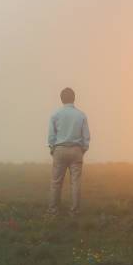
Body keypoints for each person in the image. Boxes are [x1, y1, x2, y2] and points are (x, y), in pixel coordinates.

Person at [47, 88, 90, 216]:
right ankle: (74, 211)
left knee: (56, 182)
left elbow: (51, 136)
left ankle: (53, 211)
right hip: (76, 150)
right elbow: (86, 136)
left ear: (61, 99)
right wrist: (83, 149)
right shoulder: (81, 115)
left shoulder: (55, 114)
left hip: (60, 149)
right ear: (74, 98)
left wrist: (52, 149)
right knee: (75, 182)